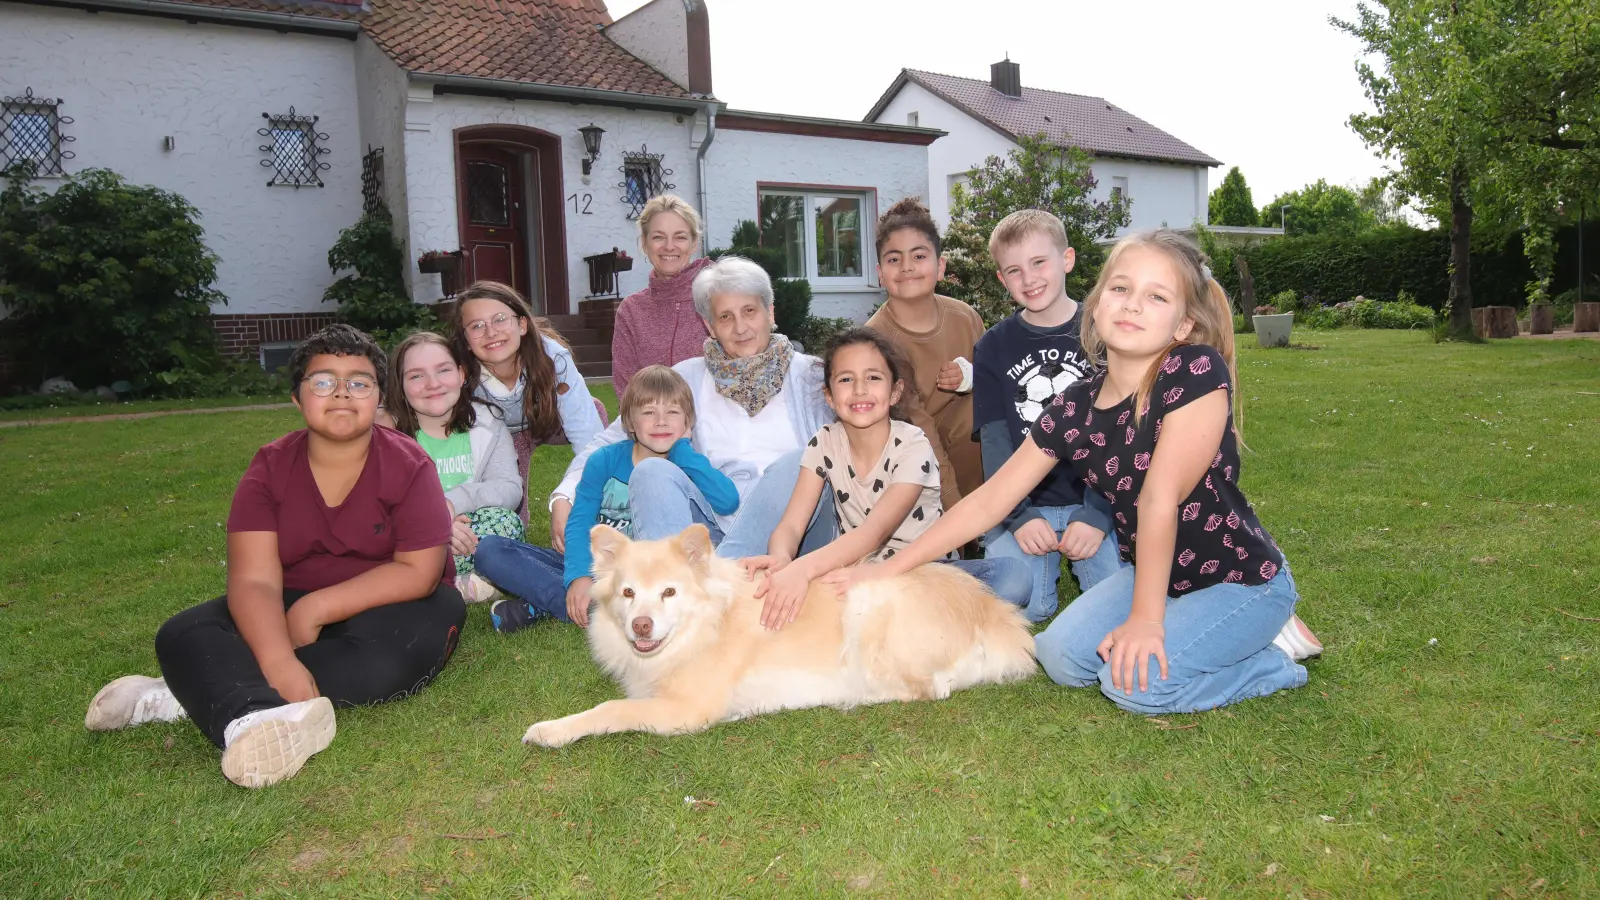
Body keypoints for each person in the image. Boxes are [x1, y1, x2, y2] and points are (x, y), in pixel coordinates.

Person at [823, 230, 1322, 716]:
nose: (1132, 305)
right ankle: (1190, 625)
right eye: (1121, 288)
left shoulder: (1194, 371)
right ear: (1097, 304)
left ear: (1183, 325)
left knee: (1135, 687)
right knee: (1060, 656)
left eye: (1156, 296)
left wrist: (1145, 622)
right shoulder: (1074, 406)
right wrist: (886, 568)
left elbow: (1158, 499)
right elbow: (990, 501)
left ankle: (1272, 657)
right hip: (1158, 575)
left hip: (1237, 579)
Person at [84, 325, 465, 787]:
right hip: (290, 591)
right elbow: (255, 581)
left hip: (394, 602)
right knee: (183, 632)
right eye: (322, 381)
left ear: (379, 397)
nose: (341, 393)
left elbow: (419, 572)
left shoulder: (410, 464)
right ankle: (252, 717)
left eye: (359, 382)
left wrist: (314, 609)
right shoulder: (269, 467)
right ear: (296, 398)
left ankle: (194, 692)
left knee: (391, 658)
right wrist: (279, 660)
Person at [548, 256, 835, 565]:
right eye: (725, 317)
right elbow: (614, 437)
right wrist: (565, 494)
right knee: (651, 470)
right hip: (709, 526)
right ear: (709, 326)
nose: (740, 327)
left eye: (749, 311)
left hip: (793, 534)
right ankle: (690, 577)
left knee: (801, 461)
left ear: (770, 312)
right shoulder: (685, 377)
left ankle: (713, 580)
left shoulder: (814, 377)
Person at [741, 328, 1031, 630]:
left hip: (927, 571)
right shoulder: (823, 443)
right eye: (846, 379)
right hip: (858, 571)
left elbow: (874, 532)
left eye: (873, 377)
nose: (860, 389)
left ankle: (902, 618)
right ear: (829, 396)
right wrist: (782, 559)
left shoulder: (913, 445)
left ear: (895, 391)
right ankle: (901, 620)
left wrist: (803, 569)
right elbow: (791, 525)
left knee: (1014, 578)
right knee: (814, 591)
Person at [475, 366, 738, 632]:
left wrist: (682, 452)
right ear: (630, 422)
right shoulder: (605, 460)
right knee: (490, 551)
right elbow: (580, 521)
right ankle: (582, 602)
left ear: (688, 422)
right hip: (597, 565)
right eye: (649, 412)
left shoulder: (690, 465)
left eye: (672, 412)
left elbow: (727, 501)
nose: (661, 421)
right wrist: (578, 576)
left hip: (647, 578)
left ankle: (556, 604)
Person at [973, 209, 1124, 622]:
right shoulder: (992, 347)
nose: (1029, 278)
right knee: (1023, 605)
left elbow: (1122, 432)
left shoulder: (1105, 333)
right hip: (1024, 501)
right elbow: (995, 442)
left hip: (1097, 495)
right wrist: (1018, 515)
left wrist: (1097, 513)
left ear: (1067, 259)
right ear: (1002, 279)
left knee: (1116, 606)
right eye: (1014, 270)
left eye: (1039, 262)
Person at [449, 280, 605, 524]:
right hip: (501, 434)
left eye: (500, 319)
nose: (491, 332)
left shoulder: (552, 358)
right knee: (512, 517)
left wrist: (575, 493)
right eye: (477, 326)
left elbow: (588, 434)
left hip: (545, 419)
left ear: (522, 325)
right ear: (466, 340)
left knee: (594, 412)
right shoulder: (460, 374)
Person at [865, 198, 985, 510]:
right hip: (906, 457)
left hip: (970, 459)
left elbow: (997, 387)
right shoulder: (876, 340)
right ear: (880, 273)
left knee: (976, 413)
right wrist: (954, 507)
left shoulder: (965, 317)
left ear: (940, 266)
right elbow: (919, 430)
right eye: (894, 259)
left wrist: (971, 378)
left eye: (919, 256)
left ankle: (996, 510)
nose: (907, 267)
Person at [387, 331, 523, 603]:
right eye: (416, 376)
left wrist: (451, 503)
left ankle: (433, 582)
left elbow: (509, 488)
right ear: (399, 386)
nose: (432, 383)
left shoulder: (488, 424)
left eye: (443, 370)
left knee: (507, 525)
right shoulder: (388, 436)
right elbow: (377, 505)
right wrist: (434, 523)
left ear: (461, 375)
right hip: (411, 537)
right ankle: (462, 582)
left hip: (465, 532)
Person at [610, 194, 713, 396]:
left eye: (680, 237)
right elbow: (627, 392)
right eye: (658, 237)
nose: (669, 246)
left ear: (694, 243)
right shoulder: (631, 311)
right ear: (644, 243)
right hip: (652, 417)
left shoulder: (718, 297)